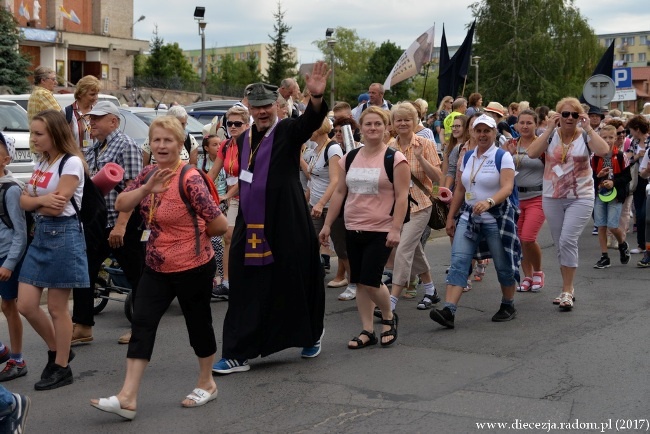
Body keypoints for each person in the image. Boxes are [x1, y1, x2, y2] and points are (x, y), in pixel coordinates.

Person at [91, 116, 227, 419]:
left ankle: (207, 383)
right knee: (142, 323)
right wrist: (145, 189)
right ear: (150, 145)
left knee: (198, 324)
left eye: (168, 140)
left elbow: (219, 224)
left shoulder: (190, 178)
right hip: (156, 265)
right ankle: (127, 397)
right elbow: (121, 204)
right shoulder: (149, 173)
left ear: (179, 144)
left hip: (193, 265)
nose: (162, 145)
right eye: (157, 140)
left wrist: (190, 238)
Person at [212, 62, 330, 374]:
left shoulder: (289, 130)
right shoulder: (242, 139)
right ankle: (238, 351)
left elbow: (311, 121)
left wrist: (316, 97)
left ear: (276, 105)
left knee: (297, 276)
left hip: (287, 218)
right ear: (249, 107)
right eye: (258, 107)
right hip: (251, 221)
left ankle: (310, 334)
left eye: (268, 106)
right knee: (245, 281)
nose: (263, 112)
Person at [320, 106, 409, 347]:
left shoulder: (395, 159)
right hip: (352, 226)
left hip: (381, 228)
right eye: (368, 124)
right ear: (361, 128)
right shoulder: (349, 158)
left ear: (386, 127)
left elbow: (402, 197)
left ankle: (389, 316)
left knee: (371, 280)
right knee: (359, 281)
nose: (372, 128)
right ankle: (367, 330)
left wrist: (396, 228)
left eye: (378, 124)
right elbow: (340, 192)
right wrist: (328, 224)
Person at [17, 110, 89, 390]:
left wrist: (34, 199)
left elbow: (59, 203)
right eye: (32, 132)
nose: (32, 138)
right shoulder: (43, 160)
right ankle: (58, 349)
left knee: (58, 308)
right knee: (26, 304)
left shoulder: (71, 163)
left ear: (55, 134)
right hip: (42, 233)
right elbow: (24, 202)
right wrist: (38, 200)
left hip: (65, 234)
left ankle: (60, 366)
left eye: (38, 133)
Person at [429, 115, 520, 329]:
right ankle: (449, 310)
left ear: (493, 132)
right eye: (478, 130)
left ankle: (508, 304)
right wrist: (451, 216)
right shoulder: (468, 156)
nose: (482, 135)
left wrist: (489, 201)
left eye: (486, 131)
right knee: (459, 261)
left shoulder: (502, 156)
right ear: (472, 132)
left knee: (503, 263)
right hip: (469, 217)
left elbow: (507, 187)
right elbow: (460, 188)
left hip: (496, 218)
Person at [527, 97, 609, 310]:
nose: (569, 118)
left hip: (581, 196)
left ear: (580, 116)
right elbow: (532, 152)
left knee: (567, 240)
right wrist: (548, 129)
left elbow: (604, 150)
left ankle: (567, 289)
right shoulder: (551, 135)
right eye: (565, 114)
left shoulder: (585, 137)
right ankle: (567, 289)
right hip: (552, 196)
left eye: (574, 114)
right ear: (558, 116)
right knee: (560, 242)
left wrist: (589, 128)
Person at [82, 101, 144, 345]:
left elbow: (132, 188)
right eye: (90, 118)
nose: (92, 122)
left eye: (97, 118)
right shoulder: (95, 147)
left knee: (136, 273)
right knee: (85, 270)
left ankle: (140, 327)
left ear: (113, 121)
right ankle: (83, 325)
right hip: (99, 220)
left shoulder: (126, 145)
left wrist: (121, 225)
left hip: (123, 222)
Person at [386, 102, 442, 311]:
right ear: (393, 123)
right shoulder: (390, 146)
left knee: (403, 249)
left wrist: (420, 158)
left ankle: (391, 301)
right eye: (398, 119)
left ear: (415, 121)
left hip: (420, 204)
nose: (403, 123)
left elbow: (437, 177)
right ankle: (431, 290)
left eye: (407, 119)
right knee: (415, 250)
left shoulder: (425, 143)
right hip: (397, 206)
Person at [206, 105, 250, 299]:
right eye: (229, 123)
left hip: (252, 196)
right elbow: (213, 173)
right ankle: (227, 283)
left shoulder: (251, 143)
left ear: (247, 124)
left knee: (254, 238)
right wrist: (198, 187)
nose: (232, 126)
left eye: (237, 123)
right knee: (229, 237)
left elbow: (247, 177)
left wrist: (227, 195)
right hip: (234, 197)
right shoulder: (225, 145)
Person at [502, 110, 546, 291]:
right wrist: (508, 156)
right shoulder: (510, 144)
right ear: (516, 125)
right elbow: (502, 170)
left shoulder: (542, 144)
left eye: (529, 123)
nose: (525, 126)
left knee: (528, 237)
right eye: (522, 123)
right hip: (515, 198)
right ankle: (527, 276)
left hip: (537, 196)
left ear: (536, 124)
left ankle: (538, 272)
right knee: (519, 240)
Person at [0, 133, 28, 382]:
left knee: (10, 307)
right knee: (5, 306)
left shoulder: (10, 190)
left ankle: (17, 359)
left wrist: (9, 264)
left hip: (7, 257)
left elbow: (20, 232)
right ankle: (2, 350)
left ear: (6, 159)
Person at [591, 125, 631, 269]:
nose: (607, 140)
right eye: (604, 137)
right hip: (601, 195)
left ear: (616, 138)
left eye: (610, 137)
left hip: (615, 195)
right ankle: (604, 256)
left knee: (613, 226)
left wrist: (613, 182)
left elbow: (627, 177)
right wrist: (599, 177)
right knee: (601, 225)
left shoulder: (621, 156)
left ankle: (622, 244)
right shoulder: (595, 157)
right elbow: (592, 177)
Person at [327, 117, 359, 298]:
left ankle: (357, 282)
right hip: (339, 204)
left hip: (357, 205)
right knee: (340, 245)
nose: (338, 135)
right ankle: (351, 280)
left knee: (355, 246)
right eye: (336, 131)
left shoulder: (359, 149)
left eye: (342, 131)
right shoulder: (333, 150)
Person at [197, 134, 227, 293]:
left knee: (220, 241)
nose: (218, 146)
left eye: (219, 144)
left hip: (223, 203)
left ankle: (222, 277)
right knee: (212, 242)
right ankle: (214, 277)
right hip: (208, 204)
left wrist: (226, 197)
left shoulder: (227, 161)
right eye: (214, 144)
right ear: (206, 148)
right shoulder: (202, 163)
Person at [626, 115, 649, 257]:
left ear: (637, 129)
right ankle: (641, 245)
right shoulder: (634, 142)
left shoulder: (649, 141)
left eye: (632, 130)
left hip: (648, 179)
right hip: (638, 179)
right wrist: (637, 155)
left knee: (646, 214)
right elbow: (628, 159)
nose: (631, 133)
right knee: (639, 214)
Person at [66, 75, 100, 151]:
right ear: (80, 94)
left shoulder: (98, 113)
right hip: (73, 160)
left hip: (94, 161)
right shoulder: (66, 113)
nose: (96, 97)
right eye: (92, 94)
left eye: (97, 94)